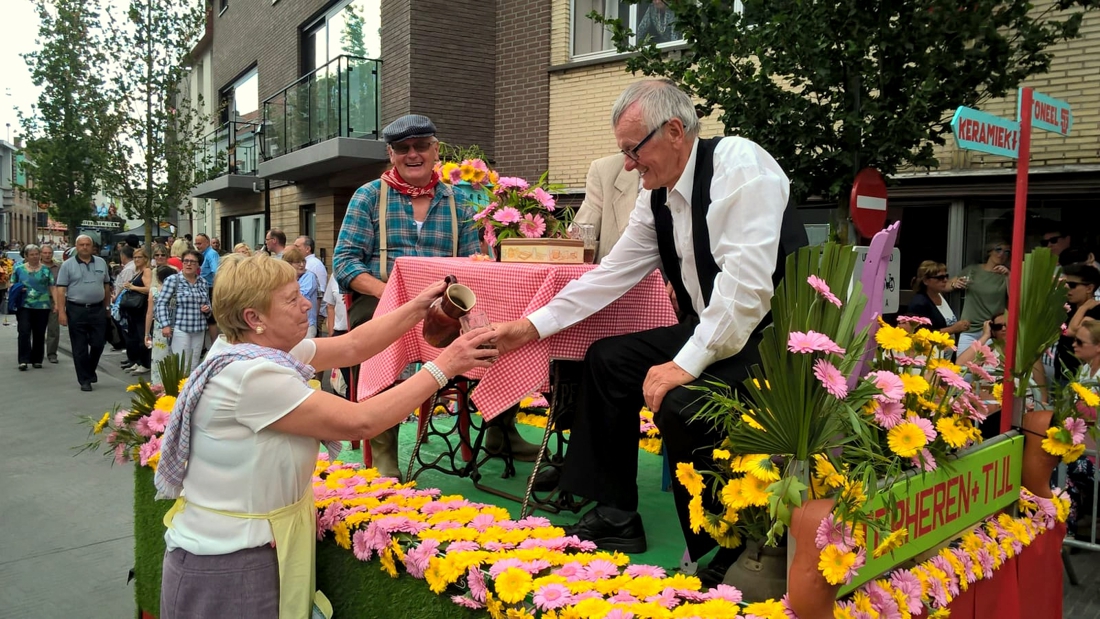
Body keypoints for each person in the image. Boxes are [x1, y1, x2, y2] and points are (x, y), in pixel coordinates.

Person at [493, 79, 805, 577]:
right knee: (607, 359)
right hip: (717, 330)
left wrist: (683, 364)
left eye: (632, 151)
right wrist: (529, 327)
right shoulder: (656, 194)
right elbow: (612, 274)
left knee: (683, 400)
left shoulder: (741, 167)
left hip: (773, 338)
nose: (630, 165)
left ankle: (722, 546)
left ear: (676, 131)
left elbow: (747, 291)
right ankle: (616, 514)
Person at [154, 253, 496, 619]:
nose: (307, 303)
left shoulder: (256, 350)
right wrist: (446, 365)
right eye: (291, 299)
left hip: (241, 551)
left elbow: (353, 346)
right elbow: (361, 422)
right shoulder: (251, 376)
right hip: (229, 563)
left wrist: (417, 307)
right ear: (254, 319)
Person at [333, 113, 489, 478]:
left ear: (436, 150)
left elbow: (473, 264)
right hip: (380, 298)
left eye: (421, 146)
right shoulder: (369, 196)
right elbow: (345, 263)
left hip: (445, 303)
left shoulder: (459, 201)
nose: (413, 154)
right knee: (379, 330)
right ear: (391, 154)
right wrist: (392, 295)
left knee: (493, 331)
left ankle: (499, 431)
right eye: (403, 148)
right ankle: (384, 446)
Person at [54, 235, 112, 391]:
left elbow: (106, 286)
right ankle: (84, 380)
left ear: (92, 247)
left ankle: (90, 369)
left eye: (88, 244)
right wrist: (61, 312)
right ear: (76, 246)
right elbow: (61, 290)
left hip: (98, 309)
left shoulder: (101, 262)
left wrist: (107, 307)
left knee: (98, 343)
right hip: (76, 309)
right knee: (79, 347)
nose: (85, 247)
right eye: (81, 245)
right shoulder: (67, 265)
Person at [572, 153, 640, 264]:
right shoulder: (603, 170)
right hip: (615, 275)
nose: (627, 163)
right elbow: (581, 234)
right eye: (625, 150)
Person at [155, 249, 212, 371]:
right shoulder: (173, 280)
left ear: (198, 265)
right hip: (180, 327)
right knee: (181, 364)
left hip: (198, 328)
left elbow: (208, 304)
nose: (188, 264)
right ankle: (179, 389)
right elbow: (161, 303)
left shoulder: (203, 282)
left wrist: (207, 309)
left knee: (194, 364)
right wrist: (165, 324)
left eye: (192, 262)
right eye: (186, 261)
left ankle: (190, 389)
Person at [954, 239, 1010, 356]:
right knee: (963, 369)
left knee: (989, 371)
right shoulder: (973, 270)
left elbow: (1015, 298)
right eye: (998, 249)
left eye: (1007, 251)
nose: (1002, 254)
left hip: (994, 331)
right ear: (989, 251)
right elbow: (947, 285)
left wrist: (1008, 276)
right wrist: (955, 283)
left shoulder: (1007, 275)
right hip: (969, 329)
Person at [12, 245, 55, 370]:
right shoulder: (19, 269)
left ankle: (37, 359)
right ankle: (23, 360)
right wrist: (18, 288)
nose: (35, 256)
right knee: (24, 331)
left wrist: (57, 304)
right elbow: (12, 284)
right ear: (26, 256)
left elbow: (52, 287)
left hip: (42, 305)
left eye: (37, 254)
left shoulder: (46, 270)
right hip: (24, 305)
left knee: (39, 333)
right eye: (32, 254)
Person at [1055, 264, 1100, 380]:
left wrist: (1083, 308)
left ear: (1089, 288)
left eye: (1072, 285)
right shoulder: (1067, 306)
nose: (1067, 288)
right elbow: (1059, 328)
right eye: (1065, 284)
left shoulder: (1096, 310)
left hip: (1081, 373)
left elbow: (1073, 331)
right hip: (1061, 369)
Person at [905, 260, 970, 336]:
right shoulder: (919, 303)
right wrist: (953, 329)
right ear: (926, 281)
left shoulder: (940, 295)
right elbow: (922, 335)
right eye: (940, 278)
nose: (945, 280)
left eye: (946, 276)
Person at [145, 264, 180, 386]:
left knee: (159, 358)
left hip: (159, 328)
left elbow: (150, 313)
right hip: (176, 326)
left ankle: (158, 385)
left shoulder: (154, 291)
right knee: (175, 357)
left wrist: (146, 333)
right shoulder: (177, 291)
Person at [120, 247, 153, 375]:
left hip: (142, 309)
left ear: (145, 258)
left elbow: (149, 288)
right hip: (134, 310)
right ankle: (138, 361)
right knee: (134, 336)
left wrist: (132, 286)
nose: (136, 260)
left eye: (139, 257)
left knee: (142, 336)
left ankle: (145, 363)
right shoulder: (137, 272)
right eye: (135, 257)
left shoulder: (147, 271)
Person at [322, 272, 352, 396]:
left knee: (356, 379)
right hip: (341, 332)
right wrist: (331, 334)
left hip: (360, 330)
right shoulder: (335, 276)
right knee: (345, 376)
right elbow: (330, 305)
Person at [282, 247, 320, 338]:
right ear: (289, 264)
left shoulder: (309, 276)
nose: (302, 265)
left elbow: (299, 296)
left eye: (303, 262)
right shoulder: (284, 278)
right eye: (298, 262)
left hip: (306, 324)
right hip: (289, 323)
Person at [293, 235, 328, 332]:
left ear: (307, 249)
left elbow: (319, 294)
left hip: (313, 314)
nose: (294, 249)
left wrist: (317, 315)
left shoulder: (313, 265)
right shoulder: (309, 263)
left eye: (297, 246)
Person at [195, 233, 221, 343]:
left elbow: (216, 271)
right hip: (203, 287)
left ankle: (214, 343)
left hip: (210, 288)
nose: (197, 246)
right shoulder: (203, 254)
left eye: (199, 243)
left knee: (211, 317)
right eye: (196, 243)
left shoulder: (211, 254)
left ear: (207, 243)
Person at [39, 243, 62, 363]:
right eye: (45, 253)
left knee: (53, 328)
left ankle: (52, 353)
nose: (47, 255)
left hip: (54, 300)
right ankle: (37, 352)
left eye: (49, 253)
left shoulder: (58, 267)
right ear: (40, 254)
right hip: (38, 301)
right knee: (38, 328)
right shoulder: (36, 267)